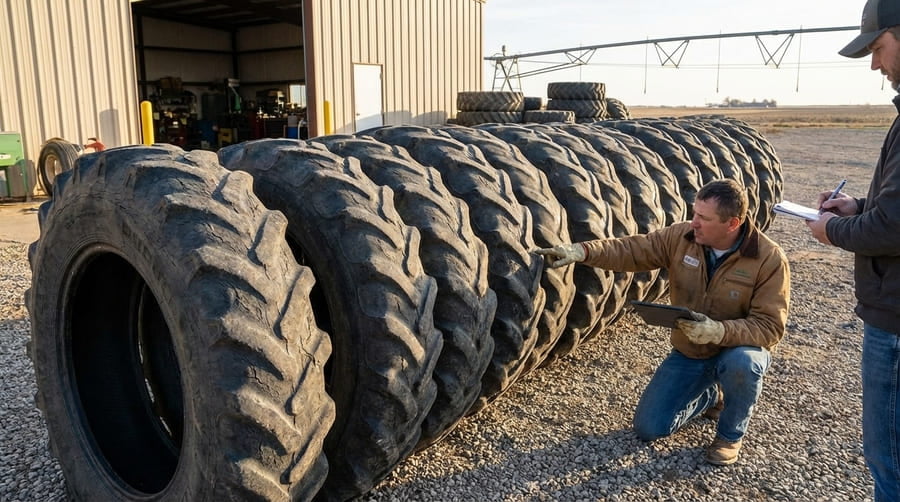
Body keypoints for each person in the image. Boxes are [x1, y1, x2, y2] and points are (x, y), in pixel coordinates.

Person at [537, 178, 790, 465]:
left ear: (732, 224)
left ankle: (730, 436)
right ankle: (710, 397)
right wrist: (582, 251)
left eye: (703, 218)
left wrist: (719, 331)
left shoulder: (768, 259)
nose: (693, 222)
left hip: (736, 349)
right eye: (695, 213)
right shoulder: (682, 237)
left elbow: (770, 327)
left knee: (744, 364)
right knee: (650, 428)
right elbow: (633, 250)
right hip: (692, 350)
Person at [806, 1, 900, 498]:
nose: (875, 65)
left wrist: (829, 230)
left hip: (896, 319)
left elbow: (892, 229)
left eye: (878, 48)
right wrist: (857, 205)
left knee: (890, 459)